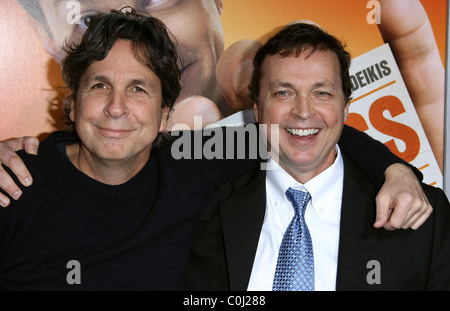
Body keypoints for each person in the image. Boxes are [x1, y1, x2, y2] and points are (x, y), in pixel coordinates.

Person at [8, 0, 446, 170]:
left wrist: (420, 177)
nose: (140, 43)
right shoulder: (30, 180)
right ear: (47, 38)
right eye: (90, 21)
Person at [185, 23, 450, 291]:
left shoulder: (422, 216)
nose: (303, 111)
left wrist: (394, 168)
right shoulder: (200, 210)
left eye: (321, 93)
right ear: (257, 109)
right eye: (283, 93)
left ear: (346, 108)